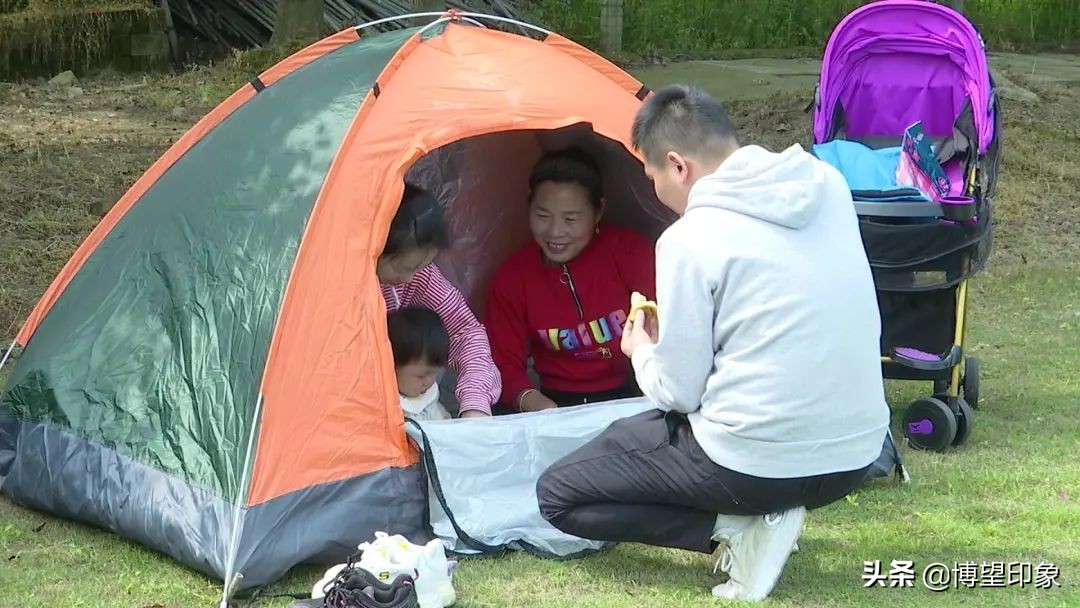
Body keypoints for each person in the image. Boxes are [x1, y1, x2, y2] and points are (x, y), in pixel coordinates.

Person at [536, 85, 891, 601]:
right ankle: (762, 519)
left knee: (558, 494)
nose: (655, 193)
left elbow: (679, 393)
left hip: (750, 463)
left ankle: (736, 527)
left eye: (652, 178)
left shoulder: (689, 239)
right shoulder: (828, 186)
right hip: (854, 456)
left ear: (677, 166)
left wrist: (641, 352)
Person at [483, 148, 656, 412]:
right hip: (554, 403)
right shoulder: (513, 277)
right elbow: (502, 362)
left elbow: (668, 329)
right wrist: (531, 400)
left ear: (598, 211)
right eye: (543, 216)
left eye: (570, 219)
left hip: (634, 391)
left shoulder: (631, 253)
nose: (555, 232)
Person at [379, 183, 500, 418]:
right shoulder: (338, 286)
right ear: (374, 249)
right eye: (403, 268)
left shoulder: (420, 277)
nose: (409, 279)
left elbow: (466, 332)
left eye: (421, 266)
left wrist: (475, 405)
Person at [388, 306, 453, 422]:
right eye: (421, 376)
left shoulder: (429, 395)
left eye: (434, 373)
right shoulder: (387, 405)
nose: (429, 381)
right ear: (392, 367)